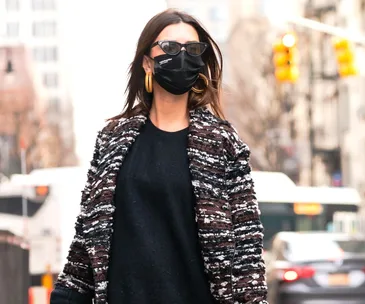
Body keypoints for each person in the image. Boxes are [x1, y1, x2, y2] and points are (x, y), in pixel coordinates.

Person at [50, 9, 268, 304]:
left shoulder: (223, 143)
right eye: (169, 47)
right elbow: (88, 237)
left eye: (192, 49)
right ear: (147, 62)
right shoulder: (113, 140)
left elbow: (246, 251)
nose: (182, 56)